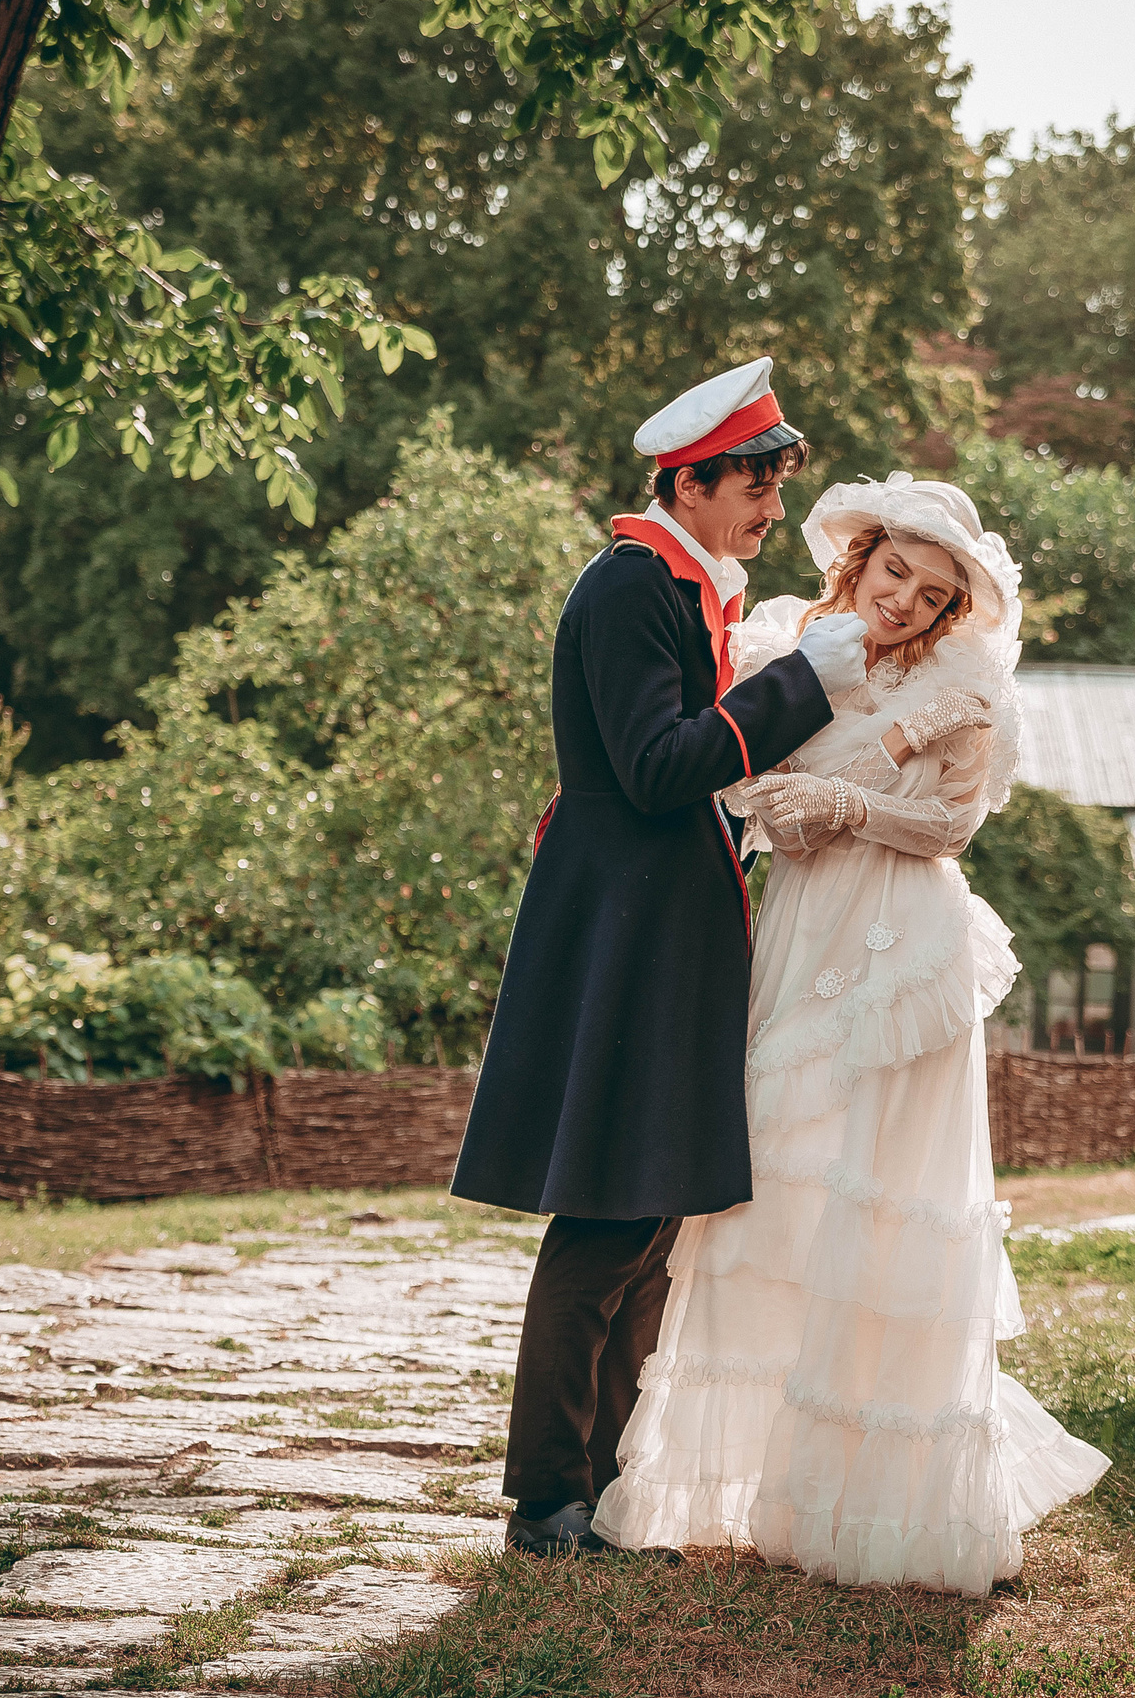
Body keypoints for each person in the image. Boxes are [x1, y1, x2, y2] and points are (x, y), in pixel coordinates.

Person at [591, 473, 1109, 1596]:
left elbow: (955, 821)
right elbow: (730, 766)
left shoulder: (968, 689)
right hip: (794, 928)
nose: (905, 603)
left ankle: (873, 1498)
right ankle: (754, 1480)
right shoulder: (788, 641)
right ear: (858, 559)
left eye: (930, 595)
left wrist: (854, 808)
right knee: (775, 1184)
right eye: (893, 574)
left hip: (898, 938)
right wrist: (775, 799)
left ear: (947, 613)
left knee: (878, 1189)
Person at [451, 358, 874, 1559]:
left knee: (646, 1223)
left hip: (655, 919)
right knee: (607, 1213)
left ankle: (607, 1490)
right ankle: (545, 1500)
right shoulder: (634, 584)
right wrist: (803, 684)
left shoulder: (682, 586)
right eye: (754, 484)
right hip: (623, 926)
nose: (770, 509)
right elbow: (650, 766)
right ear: (689, 481)